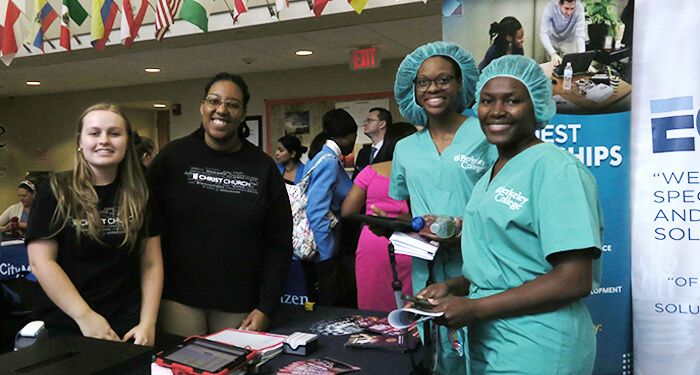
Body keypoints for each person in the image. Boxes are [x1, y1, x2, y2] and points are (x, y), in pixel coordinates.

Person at [420, 55, 603, 374]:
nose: (496, 111)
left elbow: (574, 279)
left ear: (538, 107)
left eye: (513, 100)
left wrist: (475, 308)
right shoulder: (491, 174)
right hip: (492, 343)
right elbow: (509, 262)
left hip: (539, 345)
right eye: (487, 100)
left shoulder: (556, 169)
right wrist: (457, 286)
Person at [148, 73, 292, 336]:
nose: (221, 109)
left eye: (232, 104)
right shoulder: (172, 158)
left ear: (243, 113)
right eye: (213, 101)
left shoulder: (263, 168)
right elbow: (146, 229)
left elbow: (279, 244)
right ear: (202, 107)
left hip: (240, 302)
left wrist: (266, 308)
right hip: (178, 297)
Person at [389, 41, 498, 374]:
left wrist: (465, 229)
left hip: (481, 263)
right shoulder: (405, 148)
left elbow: (504, 198)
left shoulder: (485, 135)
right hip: (427, 267)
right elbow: (409, 205)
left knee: (482, 350)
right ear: (414, 89)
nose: (432, 88)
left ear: (462, 83)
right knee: (439, 356)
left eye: (443, 79)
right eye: (423, 82)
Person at [25, 103, 163, 346]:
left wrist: (148, 322)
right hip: (69, 322)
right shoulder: (56, 190)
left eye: (114, 133)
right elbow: (41, 263)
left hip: (127, 323)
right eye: (95, 132)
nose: (105, 140)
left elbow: (151, 263)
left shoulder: (140, 193)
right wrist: (86, 317)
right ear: (80, 140)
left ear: (126, 142)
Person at [341, 122, 416, 311]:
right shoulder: (420, 173)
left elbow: (347, 211)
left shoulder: (370, 171)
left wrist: (372, 216)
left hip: (373, 243)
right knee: (410, 310)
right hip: (411, 244)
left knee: (372, 307)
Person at [305, 108, 357, 262]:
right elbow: (316, 211)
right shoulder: (328, 161)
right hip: (323, 248)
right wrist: (327, 255)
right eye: (355, 136)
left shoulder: (318, 154)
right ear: (345, 136)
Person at [540, 0, 586, 65]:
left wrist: (583, 59)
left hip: (569, 40)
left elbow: (580, 34)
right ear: (560, 4)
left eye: (572, 8)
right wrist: (553, 53)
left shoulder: (579, 7)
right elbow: (543, 33)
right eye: (566, 8)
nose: (569, 12)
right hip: (553, 40)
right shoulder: (551, 6)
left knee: (572, 66)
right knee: (552, 68)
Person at [352, 107, 391, 180]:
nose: (364, 124)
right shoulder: (363, 153)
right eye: (365, 121)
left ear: (382, 124)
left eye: (369, 120)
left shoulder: (392, 150)